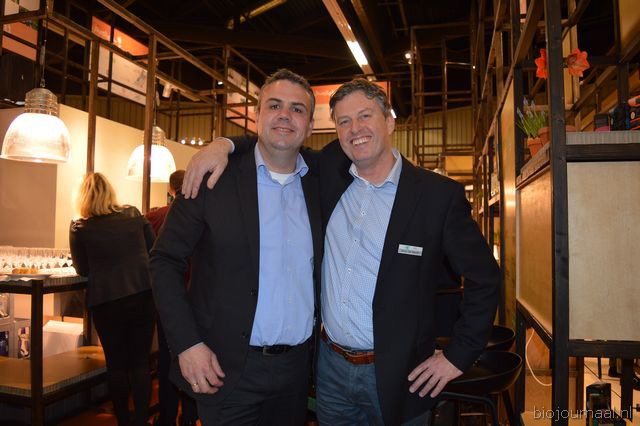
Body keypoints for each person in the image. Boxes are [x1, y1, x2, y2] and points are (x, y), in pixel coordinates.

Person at [183, 78, 500, 425]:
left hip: (400, 376)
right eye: (344, 121)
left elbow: (485, 278)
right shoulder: (329, 173)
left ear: (389, 122)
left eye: (365, 116)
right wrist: (224, 144)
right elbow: (278, 141)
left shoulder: (437, 196)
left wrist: (457, 356)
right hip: (330, 371)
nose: (355, 129)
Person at [149, 69, 323, 425]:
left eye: (297, 109)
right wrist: (187, 343)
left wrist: (227, 142)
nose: (285, 116)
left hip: (296, 374)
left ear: (309, 126)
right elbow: (164, 261)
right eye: (274, 105)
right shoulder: (212, 178)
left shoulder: (320, 181)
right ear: (256, 115)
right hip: (225, 370)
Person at [69, 172, 156, 426]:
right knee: (140, 363)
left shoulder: (80, 227)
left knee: (116, 365)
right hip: (142, 295)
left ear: (83, 198)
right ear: (110, 192)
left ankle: (123, 421)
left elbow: (82, 269)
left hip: (107, 301)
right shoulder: (133, 214)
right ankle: (141, 420)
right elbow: (154, 249)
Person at [145, 170, 198, 426]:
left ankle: (166, 417)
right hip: (194, 296)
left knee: (167, 360)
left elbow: (153, 259)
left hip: (167, 299)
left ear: (170, 188)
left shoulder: (154, 217)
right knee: (193, 356)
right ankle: (188, 416)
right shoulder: (198, 214)